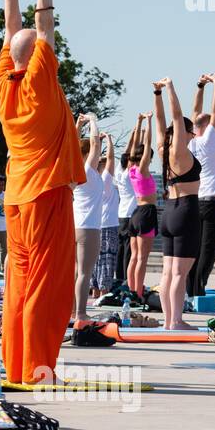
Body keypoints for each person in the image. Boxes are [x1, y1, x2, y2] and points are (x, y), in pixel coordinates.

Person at [0, 0, 86, 385]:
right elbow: (42, 29)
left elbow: (14, 34)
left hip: (15, 196)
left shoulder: (5, 85)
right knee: (48, 286)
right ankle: (38, 368)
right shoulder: (39, 86)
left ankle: (16, 364)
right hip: (46, 193)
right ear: (35, 61)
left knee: (19, 282)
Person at [153, 77, 201, 331]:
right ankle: (176, 320)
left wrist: (157, 94)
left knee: (168, 272)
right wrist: (170, 87)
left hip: (169, 211)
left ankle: (168, 321)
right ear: (186, 132)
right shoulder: (179, 151)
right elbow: (175, 116)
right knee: (180, 273)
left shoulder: (163, 149)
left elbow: (161, 122)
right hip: (185, 210)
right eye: (191, 131)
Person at [187, 72, 215, 297]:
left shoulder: (191, 142)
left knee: (195, 247)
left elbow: (195, 114)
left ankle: (191, 286)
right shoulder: (209, 140)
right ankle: (198, 288)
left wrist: (200, 87)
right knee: (209, 249)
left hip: (198, 200)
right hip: (213, 201)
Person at [71, 114, 103, 321]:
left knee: (75, 272)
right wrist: (92, 121)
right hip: (89, 227)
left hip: (75, 225)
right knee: (84, 272)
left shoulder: (72, 170)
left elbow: (71, 145)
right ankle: (81, 313)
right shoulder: (87, 171)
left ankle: (73, 311)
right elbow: (94, 143)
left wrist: (77, 125)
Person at [125, 112, 157, 299]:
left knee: (134, 256)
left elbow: (135, 148)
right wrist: (149, 122)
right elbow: (146, 145)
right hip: (146, 213)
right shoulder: (143, 169)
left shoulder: (131, 169)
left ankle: (131, 291)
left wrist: (138, 122)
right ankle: (137, 293)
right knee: (142, 258)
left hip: (136, 212)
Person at [90, 133, 120, 296]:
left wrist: (98, 142)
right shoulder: (105, 181)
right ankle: (103, 291)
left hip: (96, 224)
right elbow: (111, 159)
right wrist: (109, 139)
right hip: (109, 224)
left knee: (96, 258)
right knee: (108, 259)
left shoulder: (91, 179)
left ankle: (95, 289)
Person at [114, 123, 140, 288]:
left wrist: (134, 131)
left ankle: (119, 277)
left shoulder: (118, 171)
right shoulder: (129, 174)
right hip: (130, 214)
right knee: (128, 251)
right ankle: (125, 279)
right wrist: (139, 134)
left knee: (121, 249)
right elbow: (133, 154)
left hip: (121, 214)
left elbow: (126, 151)